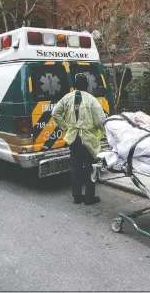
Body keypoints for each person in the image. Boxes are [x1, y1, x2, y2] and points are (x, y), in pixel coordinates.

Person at [52, 73, 106, 205]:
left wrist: (66, 127)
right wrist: (102, 133)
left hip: (73, 138)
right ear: (87, 85)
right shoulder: (92, 100)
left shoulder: (67, 98)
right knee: (90, 168)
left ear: (74, 85)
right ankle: (89, 197)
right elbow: (100, 120)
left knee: (75, 168)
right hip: (88, 139)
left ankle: (77, 196)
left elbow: (55, 113)